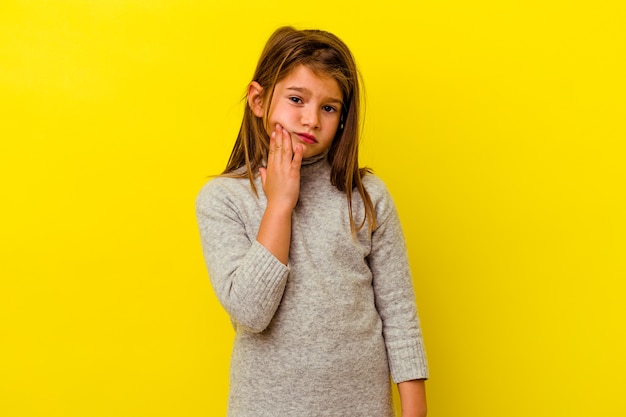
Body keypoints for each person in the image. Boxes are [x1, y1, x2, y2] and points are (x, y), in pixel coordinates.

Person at [196, 26, 428, 417]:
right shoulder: (223, 199)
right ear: (258, 99)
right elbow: (251, 313)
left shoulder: (367, 196)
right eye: (296, 99)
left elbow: (399, 312)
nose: (311, 120)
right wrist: (280, 205)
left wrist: (414, 408)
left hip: (362, 407)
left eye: (328, 107)